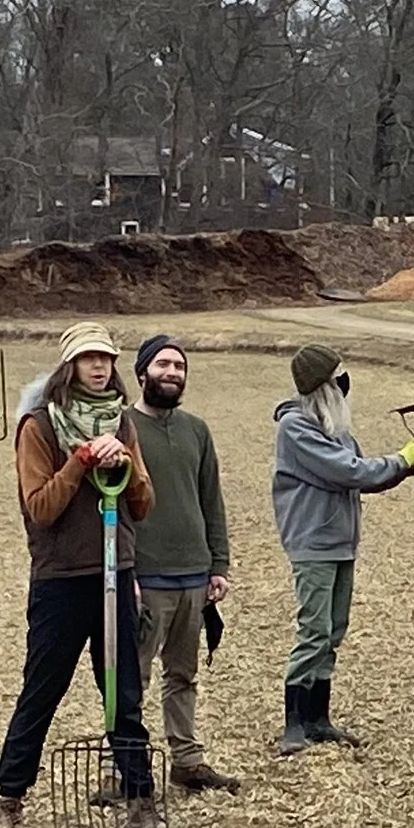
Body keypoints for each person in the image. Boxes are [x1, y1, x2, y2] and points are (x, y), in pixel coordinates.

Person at [0, 325, 169, 828]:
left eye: (106, 359)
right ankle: (10, 798)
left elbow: (143, 504)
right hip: (61, 580)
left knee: (124, 692)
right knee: (43, 690)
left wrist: (127, 464)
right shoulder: (39, 427)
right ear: (68, 366)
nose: (99, 367)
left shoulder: (122, 424)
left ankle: (140, 800)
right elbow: (41, 507)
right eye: (88, 358)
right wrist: (80, 461)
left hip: (117, 571)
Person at [270, 344, 414, 756]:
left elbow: (363, 479)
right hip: (312, 544)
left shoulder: (336, 430)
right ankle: (294, 723)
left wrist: (404, 468)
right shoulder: (296, 429)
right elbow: (347, 471)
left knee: (334, 630)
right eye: (338, 376)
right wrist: (398, 459)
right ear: (323, 386)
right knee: (313, 630)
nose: (345, 383)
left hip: (342, 543)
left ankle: (319, 718)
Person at [125, 333, 242, 793]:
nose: (172, 373)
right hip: (145, 577)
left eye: (179, 367)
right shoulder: (123, 429)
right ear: (142, 373)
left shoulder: (197, 430)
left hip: (193, 574)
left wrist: (219, 565)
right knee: (134, 676)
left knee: (183, 674)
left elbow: (211, 499)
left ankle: (187, 760)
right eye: (163, 365)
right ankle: (127, 768)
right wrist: (124, 573)